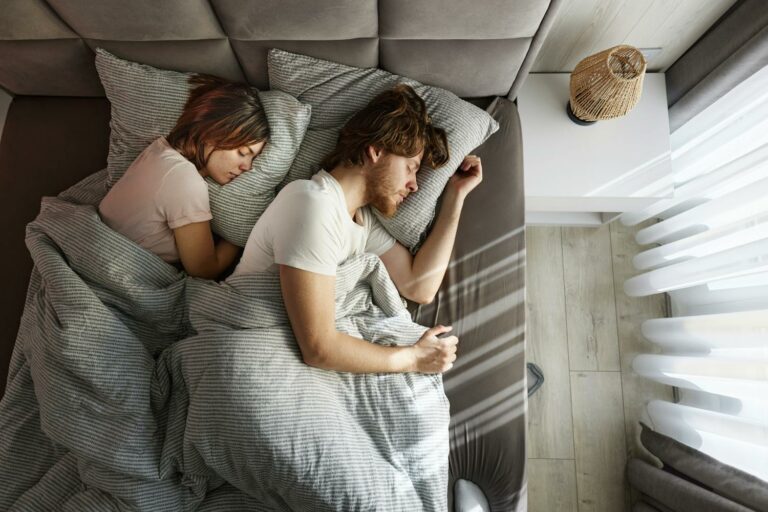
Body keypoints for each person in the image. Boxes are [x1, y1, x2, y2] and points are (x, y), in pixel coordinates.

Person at [228, 84, 482, 374]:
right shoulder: (311, 202)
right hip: (250, 341)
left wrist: (456, 195)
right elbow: (318, 348)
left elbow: (419, 287)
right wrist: (412, 359)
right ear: (376, 151)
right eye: (411, 167)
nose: (414, 185)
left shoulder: (362, 221)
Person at [99, 74, 270, 279]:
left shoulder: (159, 150)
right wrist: (240, 235)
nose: (247, 167)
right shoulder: (185, 181)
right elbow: (204, 270)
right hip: (115, 265)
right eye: (242, 152)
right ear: (213, 133)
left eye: (253, 158)